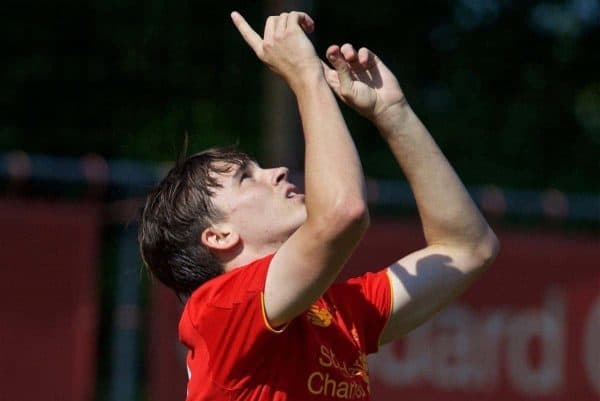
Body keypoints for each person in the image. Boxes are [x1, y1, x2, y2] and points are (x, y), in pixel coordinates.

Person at [138, 10, 499, 401]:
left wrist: (394, 117)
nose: (275, 172)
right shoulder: (219, 310)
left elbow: (468, 248)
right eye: (247, 178)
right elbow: (343, 213)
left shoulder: (335, 312)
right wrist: (305, 75)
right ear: (219, 235)